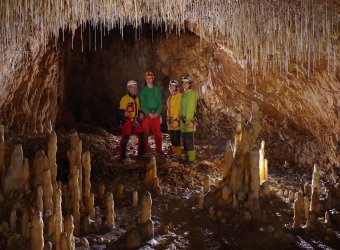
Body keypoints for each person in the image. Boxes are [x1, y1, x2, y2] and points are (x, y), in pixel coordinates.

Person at [119, 80, 146, 160]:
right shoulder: (124, 98)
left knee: (142, 135)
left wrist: (141, 112)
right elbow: (120, 110)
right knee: (125, 139)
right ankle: (122, 157)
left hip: (134, 121)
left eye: (135, 87)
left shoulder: (136, 99)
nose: (134, 88)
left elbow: (138, 109)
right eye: (132, 87)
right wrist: (124, 112)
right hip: (127, 121)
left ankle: (140, 154)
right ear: (128, 88)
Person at [140, 71, 164, 154]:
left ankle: (159, 150)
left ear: (153, 79)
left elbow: (160, 103)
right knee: (144, 132)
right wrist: (148, 113)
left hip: (155, 113)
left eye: (150, 78)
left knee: (157, 132)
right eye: (147, 78)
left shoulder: (157, 90)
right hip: (146, 114)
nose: (149, 80)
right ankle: (143, 151)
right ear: (145, 79)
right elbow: (143, 104)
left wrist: (157, 113)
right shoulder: (143, 91)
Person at [180, 75, 197, 162]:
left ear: (190, 84)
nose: (184, 84)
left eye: (186, 83)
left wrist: (188, 119)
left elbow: (191, 107)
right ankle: (186, 158)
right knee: (185, 141)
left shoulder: (191, 94)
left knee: (189, 141)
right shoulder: (184, 94)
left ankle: (191, 160)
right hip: (183, 121)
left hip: (188, 121)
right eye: (183, 83)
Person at [166, 80, 182, 156]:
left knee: (176, 138)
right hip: (170, 121)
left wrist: (175, 118)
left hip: (176, 121)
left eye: (173, 85)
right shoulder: (169, 97)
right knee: (172, 139)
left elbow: (179, 108)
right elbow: (168, 109)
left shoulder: (179, 96)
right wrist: (168, 117)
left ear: (176, 87)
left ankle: (178, 155)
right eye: (170, 85)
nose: (171, 87)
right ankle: (174, 154)